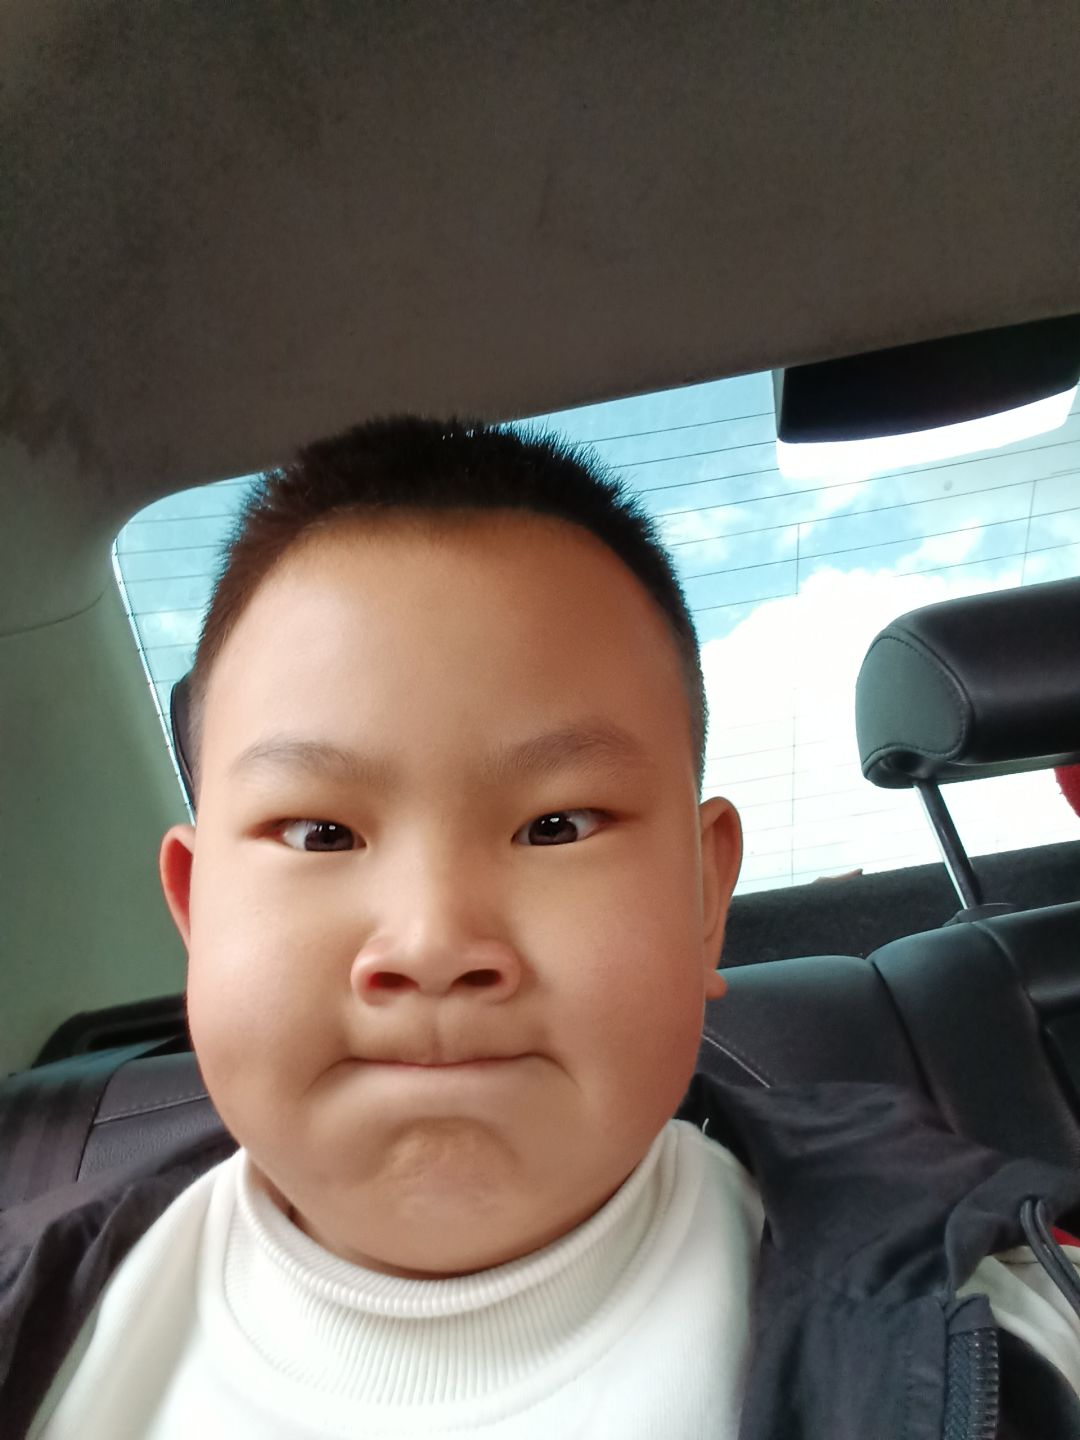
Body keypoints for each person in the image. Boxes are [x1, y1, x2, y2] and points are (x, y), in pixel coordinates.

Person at [4, 418, 1080, 1439]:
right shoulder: (39, 1328)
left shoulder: (994, 1334)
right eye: (321, 834)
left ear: (704, 899)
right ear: (198, 908)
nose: (432, 944)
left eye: (556, 825)